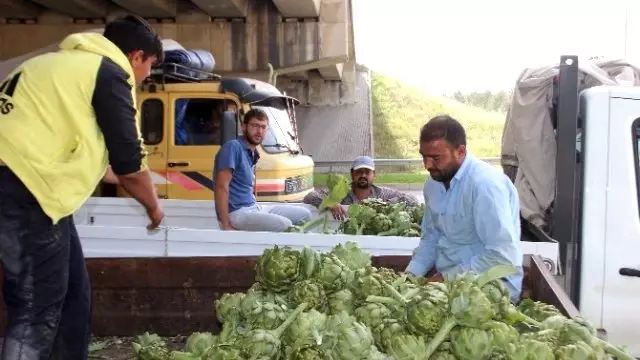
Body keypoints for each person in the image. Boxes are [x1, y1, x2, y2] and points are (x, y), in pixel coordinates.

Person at [0, 15, 165, 360]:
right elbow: (130, 162)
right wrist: (154, 207)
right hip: (24, 189)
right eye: (150, 65)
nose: (147, 75)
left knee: (74, 293)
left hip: (35, 190)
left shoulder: (57, 65)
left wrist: (118, 176)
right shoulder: (107, 73)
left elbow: (73, 143)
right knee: (36, 306)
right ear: (136, 56)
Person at [404, 115, 523, 302]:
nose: (427, 165)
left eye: (435, 158)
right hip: (448, 283)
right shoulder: (433, 185)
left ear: (460, 151)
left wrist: (446, 278)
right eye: (424, 157)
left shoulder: (485, 185)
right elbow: (431, 238)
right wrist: (410, 276)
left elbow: (502, 256)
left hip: (491, 289)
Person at [213, 108, 312, 232]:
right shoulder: (233, 147)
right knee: (285, 224)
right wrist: (225, 224)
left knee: (305, 215)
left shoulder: (253, 153)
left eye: (263, 127)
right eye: (254, 126)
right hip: (237, 212)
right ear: (244, 127)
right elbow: (221, 187)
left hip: (254, 207)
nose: (259, 131)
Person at [303, 155, 420, 220]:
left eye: (367, 172)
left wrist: (386, 206)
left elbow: (413, 201)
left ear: (374, 175)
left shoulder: (382, 194)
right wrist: (330, 203)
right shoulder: (341, 192)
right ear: (352, 175)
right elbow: (310, 196)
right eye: (359, 172)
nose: (363, 175)